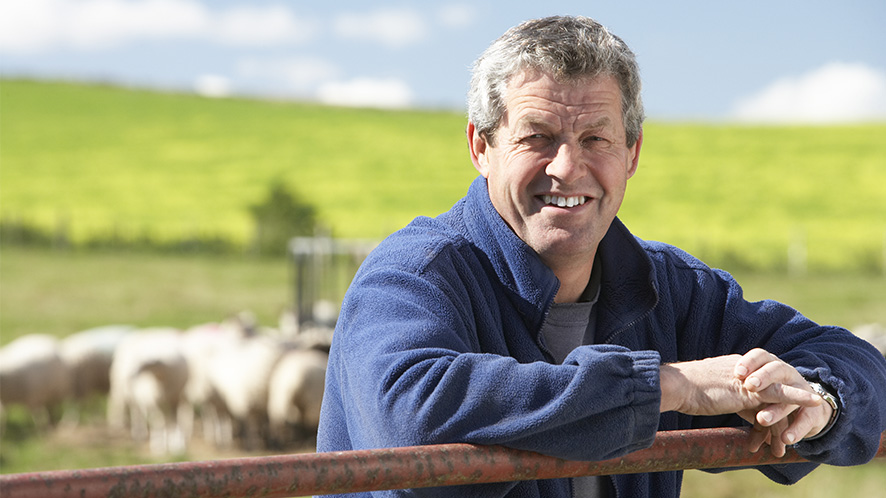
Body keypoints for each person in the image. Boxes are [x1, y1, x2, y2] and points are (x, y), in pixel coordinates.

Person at [317, 15, 886, 498]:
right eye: (537, 136)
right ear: (480, 147)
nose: (567, 167)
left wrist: (820, 400)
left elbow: (855, 360)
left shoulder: (670, 287)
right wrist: (670, 386)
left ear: (632, 154)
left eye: (596, 138)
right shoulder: (414, 276)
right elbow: (410, 411)